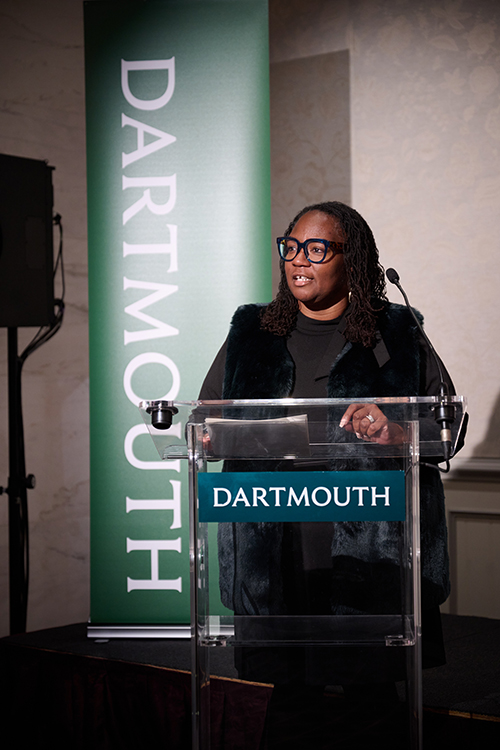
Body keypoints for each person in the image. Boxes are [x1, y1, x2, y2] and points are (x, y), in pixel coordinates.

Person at [199, 201, 457, 747]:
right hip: (275, 537)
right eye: (291, 247)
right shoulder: (252, 331)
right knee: (288, 695)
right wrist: (207, 434)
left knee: (370, 697)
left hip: (368, 539)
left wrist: (397, 433)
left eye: (317, 249)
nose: (299, 260)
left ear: (352, 259)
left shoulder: (395, 330)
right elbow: (208, 417)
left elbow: (445, 423)